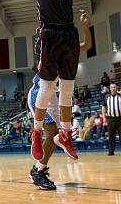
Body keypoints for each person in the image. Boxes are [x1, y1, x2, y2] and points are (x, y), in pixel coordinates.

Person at [15, 0, 86, 161]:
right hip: (49, 33)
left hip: (69, 32)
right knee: (46, 88)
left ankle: (65, 134)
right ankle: (36, 131)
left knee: (67, 89)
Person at [28, 11, 91, 190]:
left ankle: (39, 168)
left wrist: (85, 26)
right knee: (52, 132)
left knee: (60, 134)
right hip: (39, 94)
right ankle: (38, 171)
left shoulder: (66, 49)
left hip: (53, 97)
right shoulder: (46, 46)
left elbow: (87, 44)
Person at [102, 83, 121, 155]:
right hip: (110, 119)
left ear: (117, 88)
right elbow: (103, 107)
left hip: (120, 119)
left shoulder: (120, 96)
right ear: (110, 88)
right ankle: (111, 151)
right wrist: (104, 118)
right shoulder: (107, 97)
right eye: (112, 87)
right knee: (111, 136)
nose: (113, 88)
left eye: (114, 87)